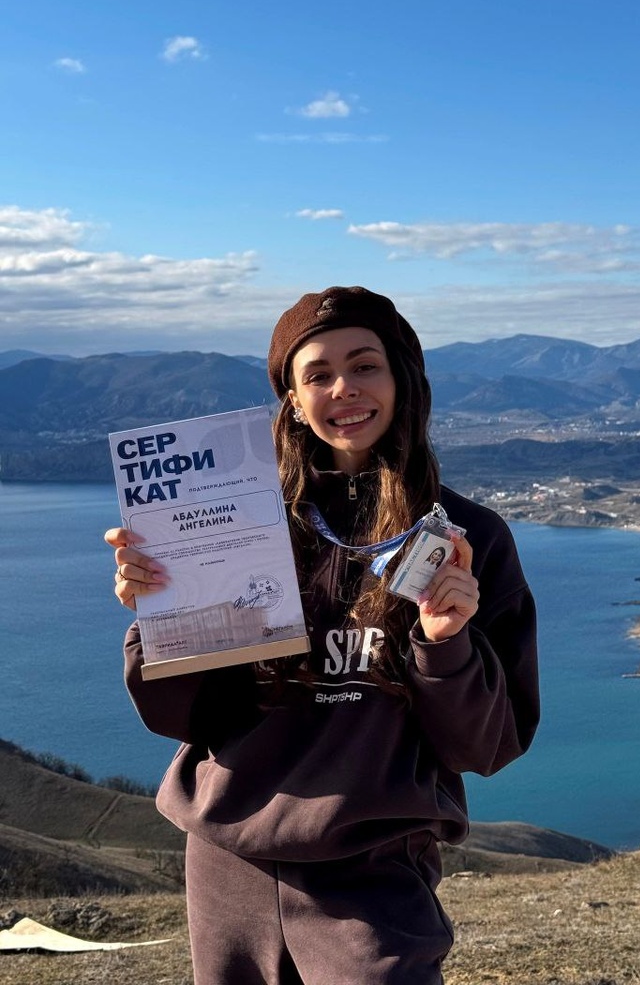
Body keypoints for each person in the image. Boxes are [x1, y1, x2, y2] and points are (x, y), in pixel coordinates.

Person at [107, 285, 539, 985]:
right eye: (317, 375)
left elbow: (485, 746)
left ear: (402, 378)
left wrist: (443, 643)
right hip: (227, 863)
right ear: (292, 399)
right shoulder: (235, 526)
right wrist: (161, 615)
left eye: (365, 365)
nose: (344, 388)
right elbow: (180, 716)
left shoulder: (468, 540)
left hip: (373, 873)